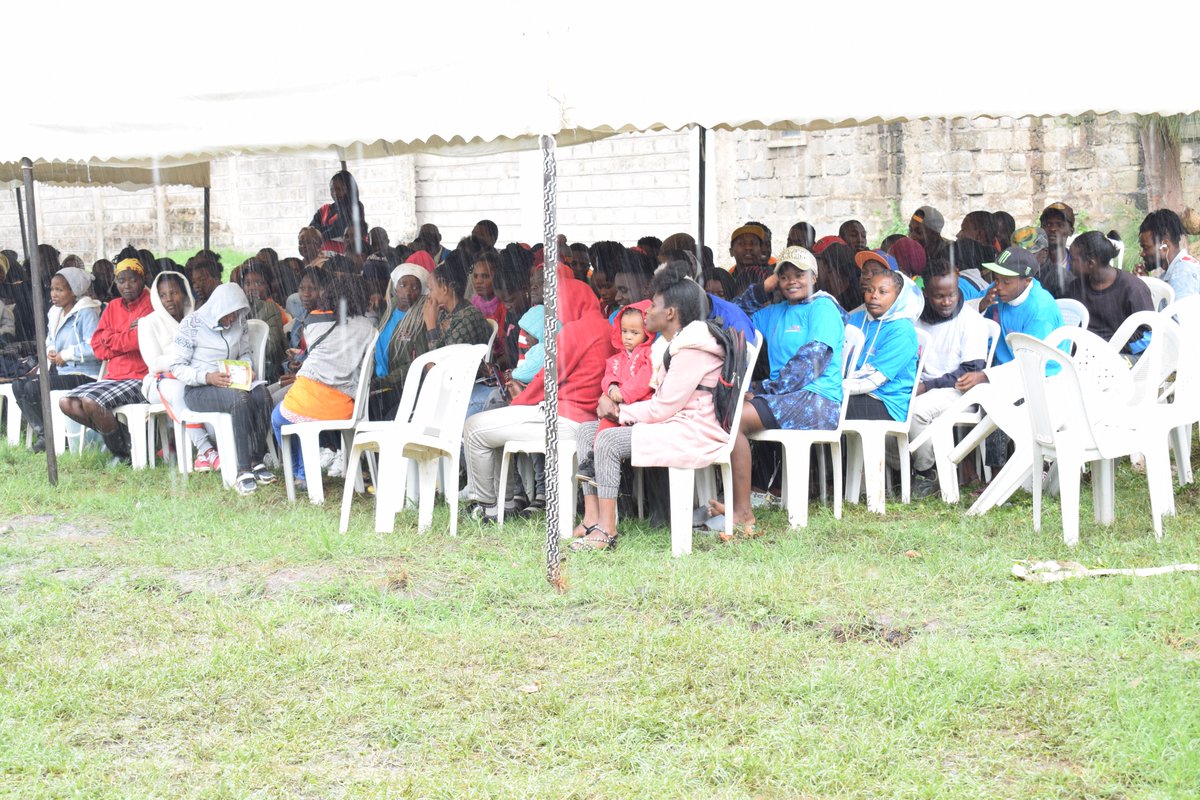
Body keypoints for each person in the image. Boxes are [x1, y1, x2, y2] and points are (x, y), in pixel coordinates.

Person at [571, 267, 727, 551]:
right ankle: (592, 518)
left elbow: (664, 407)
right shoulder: (676, 344)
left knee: (607, 439)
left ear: (670, 313)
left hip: (691, 430)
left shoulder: (693, 350)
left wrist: (618, 413)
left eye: (653, 306)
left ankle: (607, 530)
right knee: (586, 432)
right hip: (673, 423)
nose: (647, 313)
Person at [463, 265, 611, 522]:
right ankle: (505, 502)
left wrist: (518, 401)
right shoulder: (608, 330)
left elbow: (547, 377)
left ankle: (489, 507)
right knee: (490, 430)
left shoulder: (575, 331)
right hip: (588, 423)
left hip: (561, 419)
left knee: (475, 429)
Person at [715, 247, 846, 536]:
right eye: (784, 276)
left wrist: (764, 389)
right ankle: (741, 506)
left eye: (799, 274)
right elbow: (733, 315)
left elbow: (812, 360)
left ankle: (742, 512)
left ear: (814, 276)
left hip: (818, 399)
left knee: (734, 420)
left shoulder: (823, 308)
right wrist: (764, 287)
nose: (791, 281)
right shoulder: (774, 312)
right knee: (729, 415)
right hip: (786, 398)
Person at [272, 274, 376, 492]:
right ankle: (303, 473)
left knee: (279, 419)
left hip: (307, 397)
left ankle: (299, 473)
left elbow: (313, 347)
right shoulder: (369, 328)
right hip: (344, 407)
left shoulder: (316, 318)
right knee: (299, 422)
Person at [169, 283, 275, 495]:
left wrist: (248, 368)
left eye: (236, 314)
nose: (232, 319)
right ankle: (242, 470)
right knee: (239, 400)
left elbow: (244, 351)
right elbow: (177, 366)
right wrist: (207, 377)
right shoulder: (191, 324)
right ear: (218, 308)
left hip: (233, 382)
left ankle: (256, 459)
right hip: (199, 389)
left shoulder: (239, 322)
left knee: (263, 395)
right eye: (229, 315)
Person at [59, 258, 155, 461]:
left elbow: (138, 340)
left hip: (140, 378)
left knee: (91, 403)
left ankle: (121, 454)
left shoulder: (151, 303)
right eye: (121, 280)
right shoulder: (112, 307)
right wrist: (124, 337)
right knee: (67, 403)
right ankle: (125, 441)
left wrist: (112, 340)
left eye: (132, 279)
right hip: (113, 377)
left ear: (142, 279)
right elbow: (97, 347)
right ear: (115, 282)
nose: (127, 285)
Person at [909, 262, 990, 498]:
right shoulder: (917, 318)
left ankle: (927, 472)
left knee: (915, 411)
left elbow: (971, 370)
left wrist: (926, 386)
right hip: (923, 386)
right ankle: (901, 469)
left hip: (958, 389)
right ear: (926, 294)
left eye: (952, 294)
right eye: (939, 296)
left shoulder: (970, 320)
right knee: (887, 406)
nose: (947, 301)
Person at [13, 267, 102, 452]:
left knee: (32, 387)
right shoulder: (55, 313)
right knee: (18, 385)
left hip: (84, 374)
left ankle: (51, 436)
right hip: (63, 371)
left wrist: (66, 355)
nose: (54, 294)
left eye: (60, 290)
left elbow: (94, 346)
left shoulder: (87, 312)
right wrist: (52, 351)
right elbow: (50, 341)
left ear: (74, 291)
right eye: (52, 289)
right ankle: (46, 433)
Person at [960, 246, 1065, 385]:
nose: (999, 286)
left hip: (1041, 377)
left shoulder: (1040, 311)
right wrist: (983, 303)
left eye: (1006, 281)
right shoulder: (1001, 291)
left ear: (1027, 280)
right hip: (1004, 368)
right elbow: (964, 314)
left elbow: (1029, 362)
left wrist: (984, 377)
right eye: (996, 279)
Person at [845, 269, 921, 422]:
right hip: (853, 391)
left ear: (898, 297)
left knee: (822, 409)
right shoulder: (856, 319)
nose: (874, 296)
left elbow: (873, 379)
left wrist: (832, 388)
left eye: (883, 292)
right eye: (870, 290)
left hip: (885, 402)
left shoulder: (902, 331)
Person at [1067, 231, 1153, 354]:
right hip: (1084, 354)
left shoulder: (1133, 289)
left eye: (1073, 259)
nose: (1069, 263)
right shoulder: (1075, 287)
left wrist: (1111, 349)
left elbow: (1147, 335)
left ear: (1091, 263)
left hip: (1122, 355)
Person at [237, 261, 287, 383]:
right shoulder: (238, 309)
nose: (252, 287)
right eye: (248, 283)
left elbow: (269, 348)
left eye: (259, 283)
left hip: (268, 371)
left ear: (269, 286)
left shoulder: (271, 308)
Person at [1139, 209, 1199, 299]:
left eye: (1146, 248)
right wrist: (1145, 284)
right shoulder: (1177, 271)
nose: (1142, 254)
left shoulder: (1182, 275)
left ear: (1164, 246)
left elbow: (1178, 312)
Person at [310, 170, 368, 254]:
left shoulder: (356, 207)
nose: (335, 193)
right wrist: (329, 229)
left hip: (348, 257)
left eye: (339, 189)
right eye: (332, 189)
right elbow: (311, 231)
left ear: (349, 189)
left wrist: (320, 233)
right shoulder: (324, 209)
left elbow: (341, 229)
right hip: (323, 256)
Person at [1034, 202, 1077, 298]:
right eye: (1048, 224)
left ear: (1071, 231)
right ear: (1041, 229)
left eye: (1059, 224)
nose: (1053, 229)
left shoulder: (1079, 266)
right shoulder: (1034, 265)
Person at [469, 250, 506, 362]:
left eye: (485, 276)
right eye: (475, 276)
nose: (478, 281)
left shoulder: (504, 305)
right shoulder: (473, 304)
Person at [728, 224, 770, 293]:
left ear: (760, 250)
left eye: (753, 243)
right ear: (731, 251)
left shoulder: (770, 277)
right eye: (742, 244)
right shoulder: (726, 281)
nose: (748, 248)